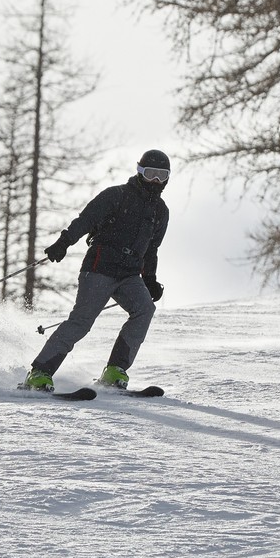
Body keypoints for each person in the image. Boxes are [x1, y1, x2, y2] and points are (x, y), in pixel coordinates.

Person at [24, 149, 171, 391]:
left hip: (130, 275)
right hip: (99, 268)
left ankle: (115, 369)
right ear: (140, 172)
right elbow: (86, 220)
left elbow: (151, 248)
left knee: (145, 309)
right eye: (151, 174)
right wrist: (64, 242)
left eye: (161, 176)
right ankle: (39, 371)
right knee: (82, 321)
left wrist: (150, 279)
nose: (155, 181)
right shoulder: (117, 195)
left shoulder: (160, 211)